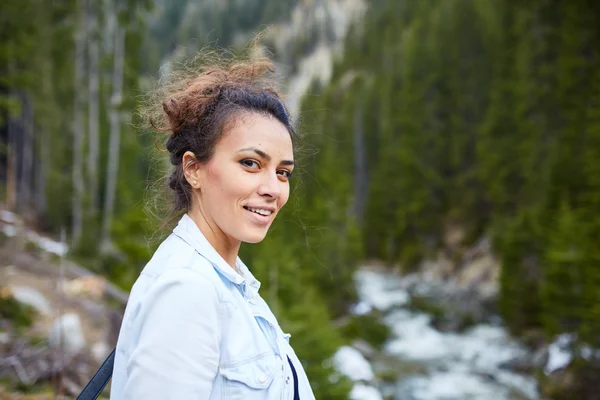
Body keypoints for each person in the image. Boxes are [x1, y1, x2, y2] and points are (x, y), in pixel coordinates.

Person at [110, 53, 315, 399]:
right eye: (250, 163)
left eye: (283, 172)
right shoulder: (187, 289)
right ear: (193, 169)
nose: (273, 188)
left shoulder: (229, 281)